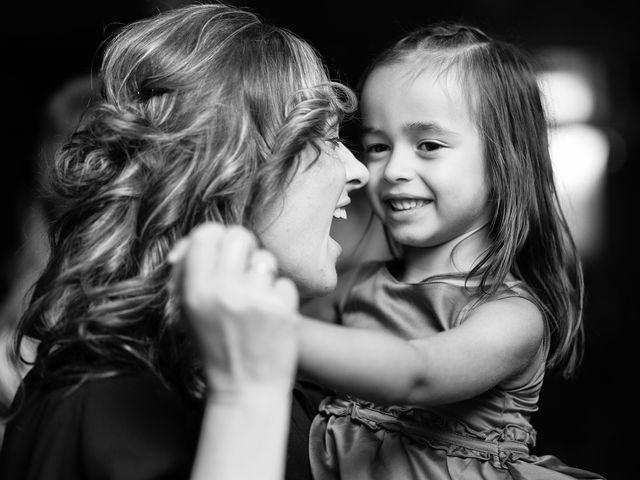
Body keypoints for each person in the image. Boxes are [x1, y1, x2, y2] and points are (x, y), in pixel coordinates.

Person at [0, 3, 368, 479]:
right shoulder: (98, 406)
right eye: (323, 136)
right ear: (228, 171)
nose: (359, 172)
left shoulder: (298, 394)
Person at [292, 23, 607, 479]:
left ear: (505, 162)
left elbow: (419, 373)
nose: (393, 168)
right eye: (378, 146)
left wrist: (274, 330)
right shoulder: (354, 282)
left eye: (429, 146)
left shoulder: (510, 314)